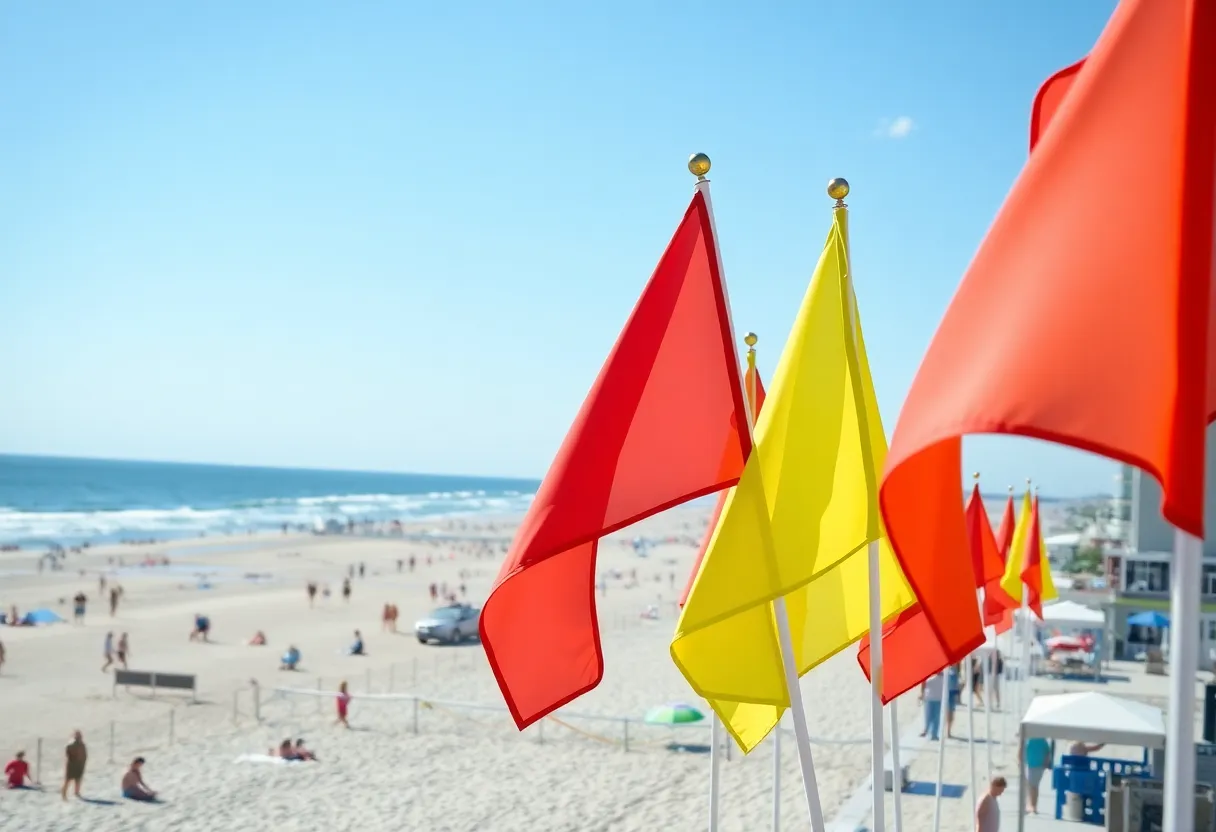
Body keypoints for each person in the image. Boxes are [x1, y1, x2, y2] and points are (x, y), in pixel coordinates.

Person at [1022, 735, 1053, 814]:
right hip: (1031, 764)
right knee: (1032, 785)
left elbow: (1047, 752)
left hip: (1037, 765)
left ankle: (1032, 806)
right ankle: (1032, 805)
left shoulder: (1036, 739)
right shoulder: (1039, 739)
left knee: (1032, 785)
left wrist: (1046, 763)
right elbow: (1048, 752)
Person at [62, 731, 87, 801]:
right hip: (72, 765)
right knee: (68, 780)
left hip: (79, 765)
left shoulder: (82, 745)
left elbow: (84, 755)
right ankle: (64, 794)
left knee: (78, 780)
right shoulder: (71, 744)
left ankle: (76, 792)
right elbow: (68, 752)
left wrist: (83, 763)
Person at [920, 672, 944, 741]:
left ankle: (934, 734)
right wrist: (922, 694)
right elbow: (923, 684)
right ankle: (926, 730)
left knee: (936, 717)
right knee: (928, 716)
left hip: (938, 699)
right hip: (929, 698)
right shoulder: (929, 674)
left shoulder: (943, 675)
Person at [946, 662, 963, 738]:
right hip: (945, 692)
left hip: (952, 693)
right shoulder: (947, 669)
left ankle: (948, 731)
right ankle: (947, 731)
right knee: (947, 713)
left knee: (950, 714)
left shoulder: (957, 671)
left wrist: (958, 696)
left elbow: (960, 684)